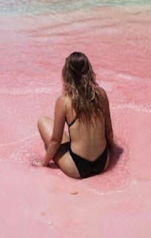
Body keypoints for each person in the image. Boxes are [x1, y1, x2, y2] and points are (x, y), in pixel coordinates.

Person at [37, 51, 114, 179]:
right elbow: (109, 131)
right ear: (89, 70)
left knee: (42, 121)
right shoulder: (101, 94)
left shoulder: (64, 101)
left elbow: (55, 141)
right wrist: (112, 150)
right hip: (102, 163)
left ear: (67, 74)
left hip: (77, 167)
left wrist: (44, 163)